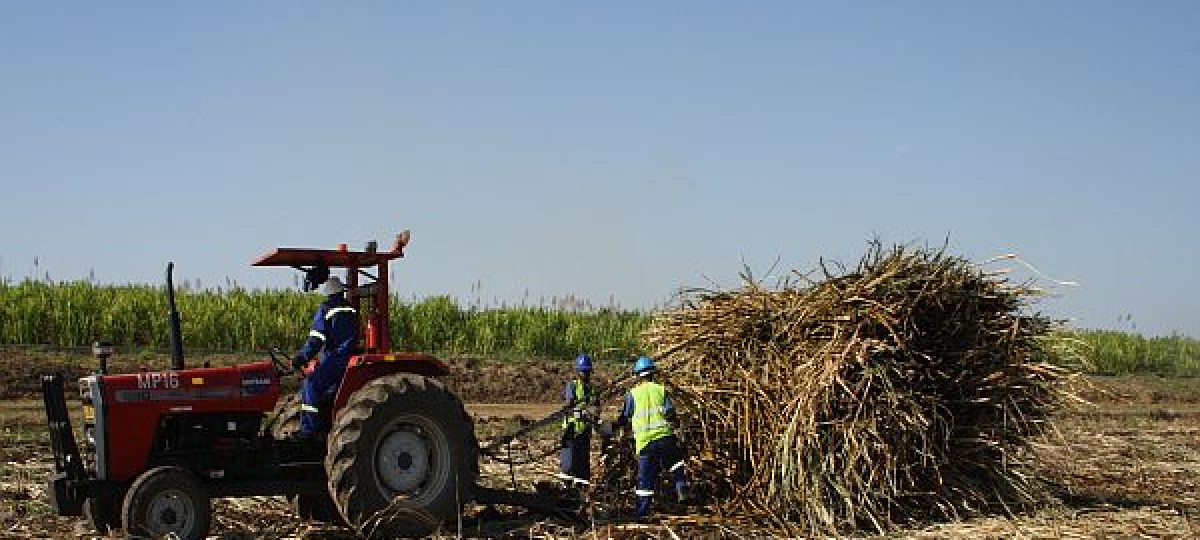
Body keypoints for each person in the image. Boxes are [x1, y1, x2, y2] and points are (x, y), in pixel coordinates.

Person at [613, 355, 690, 520]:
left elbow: (624, 418)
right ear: (653, 373)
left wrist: (613, 428)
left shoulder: (632, 395)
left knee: (645, 482)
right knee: (676, 464)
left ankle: (641, 513)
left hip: (646, 444)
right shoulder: (660, 390)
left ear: (637, 376)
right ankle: (681, 486)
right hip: (665, 438)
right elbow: (670, 413)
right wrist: (678, 426)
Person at [291, 276, 358, 439]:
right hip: (348, 355)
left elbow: (316, 339)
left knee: (310, 384)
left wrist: (301, 357)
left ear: (328, 292)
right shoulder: (351, 309)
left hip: (336, 356)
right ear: (341, 291)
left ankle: (308, 431)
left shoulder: (326, 308)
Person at [558, 353, 595, 491]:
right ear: (578, 372)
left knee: (582, 465)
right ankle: (565, 490)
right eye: (582, 371)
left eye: (587, 371)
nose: (585, 374)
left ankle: (582, 492)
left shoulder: (592, 390)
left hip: (584, 432)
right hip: (571, 431)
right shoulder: (572, 386)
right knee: (568, 464)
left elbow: (597, 408)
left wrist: (592, 415)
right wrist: (575, 411)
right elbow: (569, 404)